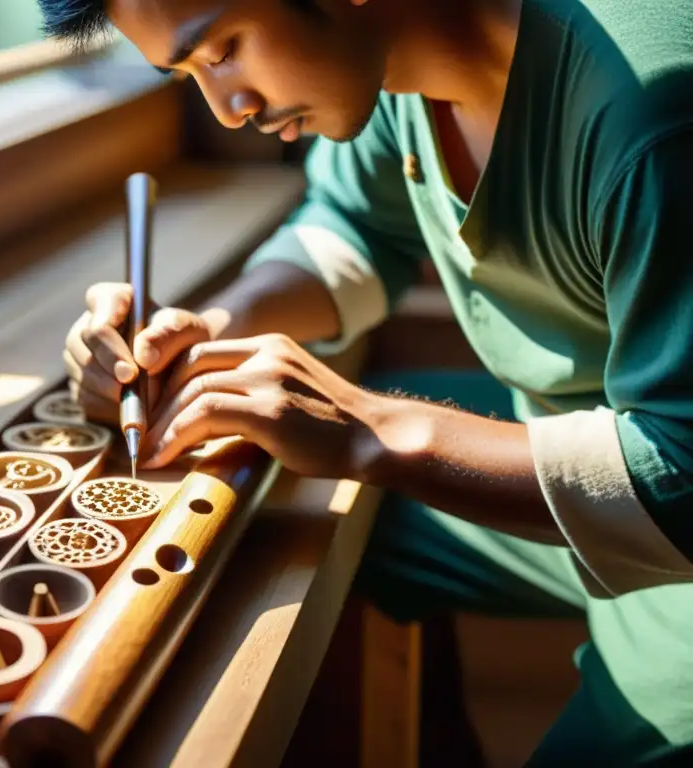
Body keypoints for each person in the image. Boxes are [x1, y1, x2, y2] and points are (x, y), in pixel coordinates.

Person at [44, 0, 693, 763]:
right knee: (290, 530)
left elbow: (680, 474)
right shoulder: (397, 64)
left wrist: (370, 431)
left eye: (222, 51)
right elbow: (357, 226)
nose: (228, 111)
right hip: (600, 449)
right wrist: (211, 329)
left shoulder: (655, 120)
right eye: (188, 74)